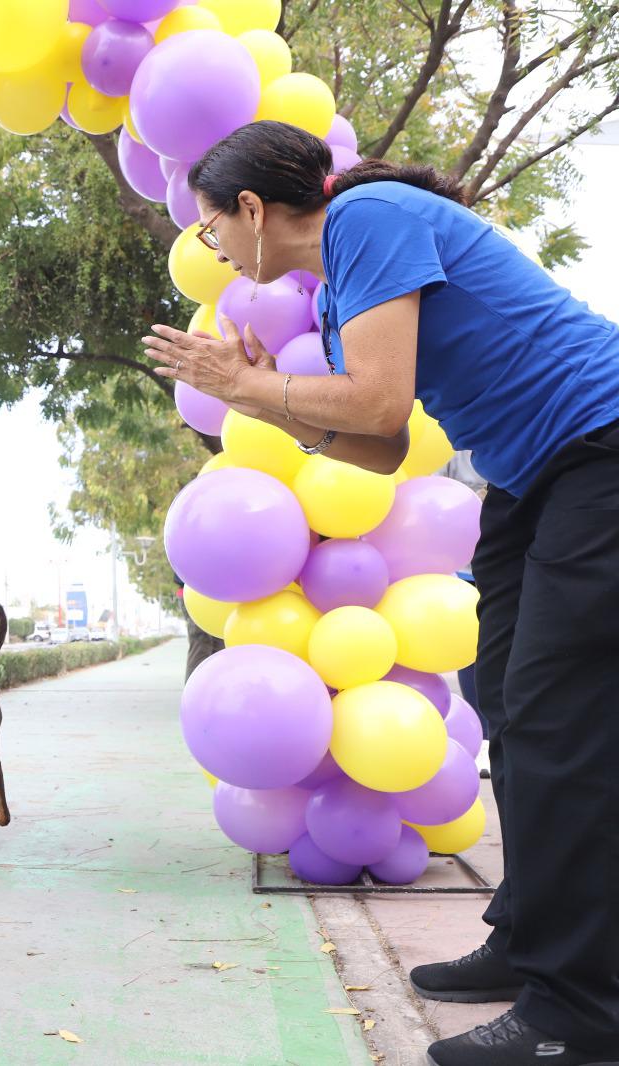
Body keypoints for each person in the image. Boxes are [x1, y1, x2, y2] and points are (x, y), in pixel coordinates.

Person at [141, 120, 619, 1066]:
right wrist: (254, 395)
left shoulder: (370, 216)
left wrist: (253, 386)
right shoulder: (332, 295)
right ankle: (531, 939)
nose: (216, 252)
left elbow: (379, 403)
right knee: (510, 709)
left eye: (209, 230)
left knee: (559, 719)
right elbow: (382, 449)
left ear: (250, 209)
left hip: (599, 445)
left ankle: (582, 1013)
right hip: (535, 474)